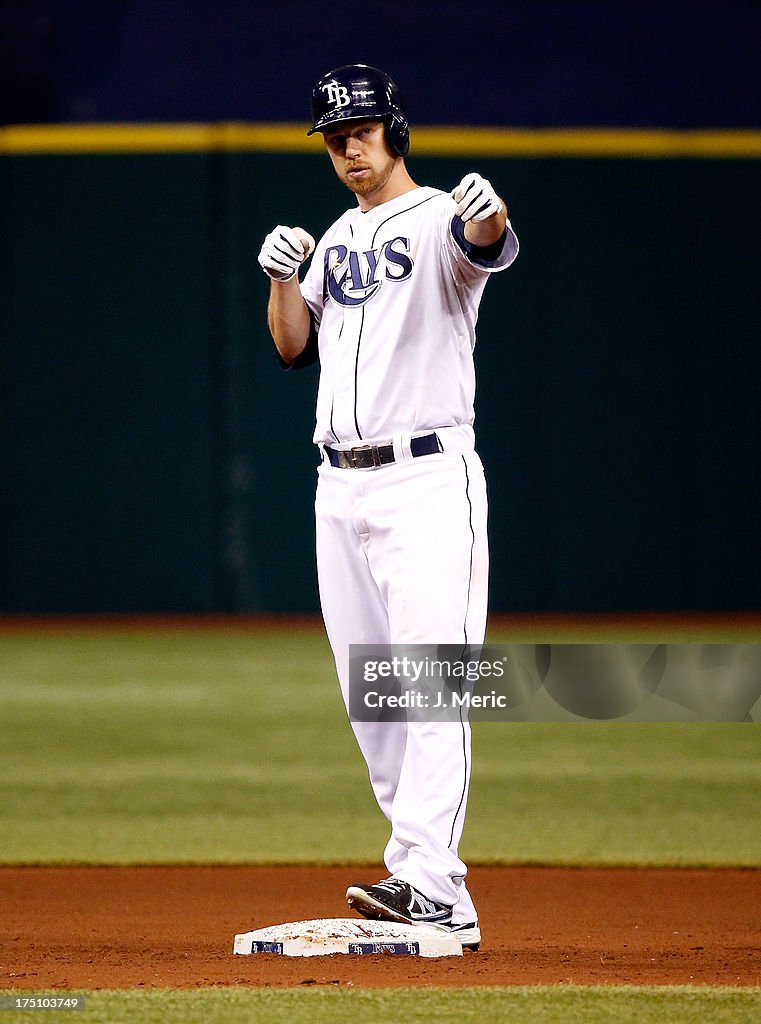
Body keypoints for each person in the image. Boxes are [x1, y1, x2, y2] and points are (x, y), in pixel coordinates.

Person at [257, 64, 519, 952]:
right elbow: (292, 348)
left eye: (360, 131)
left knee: (435, 678)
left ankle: (435, 881)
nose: (347, 147)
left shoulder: (445, 214)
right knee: (370, 692)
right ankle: (414, 873)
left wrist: (490, 214)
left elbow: (483, 246)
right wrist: (282, 280)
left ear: (393, 130)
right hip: (340, 485)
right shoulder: (332, 237)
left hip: (425, 479)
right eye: (333, 137)